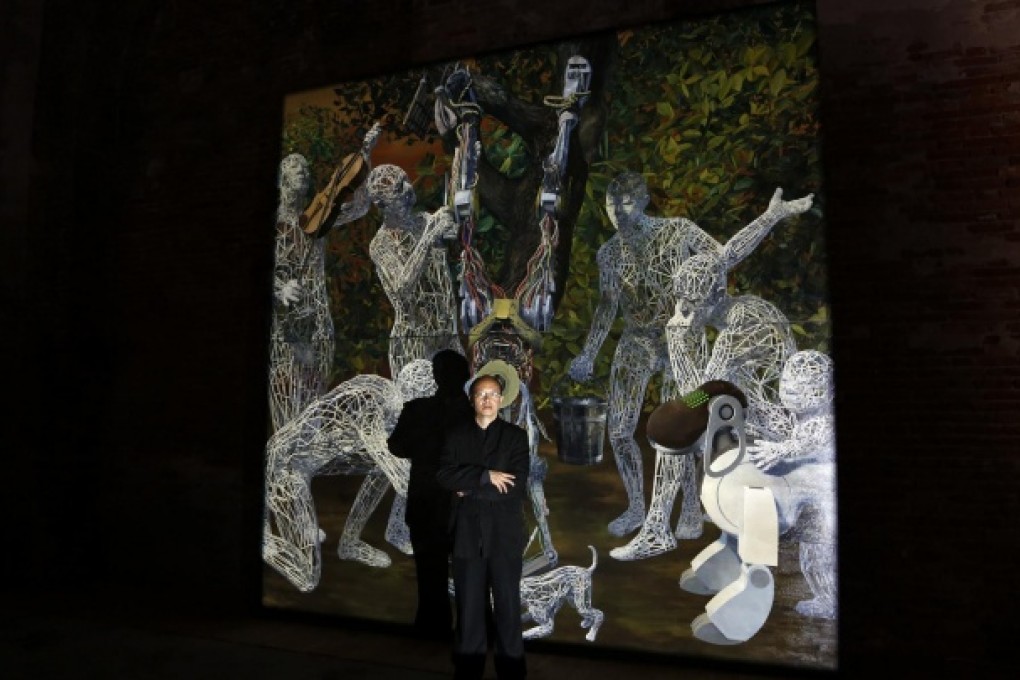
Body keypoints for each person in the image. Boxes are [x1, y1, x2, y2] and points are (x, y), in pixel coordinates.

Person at [438, 368, 530, 680]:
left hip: (504, 536)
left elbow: (515, 487)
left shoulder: (516, 438)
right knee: (469, 611)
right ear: (472, 400)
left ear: (501, 399)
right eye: (481, 394)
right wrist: (485, 476)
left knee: (508, 608)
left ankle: (512, 672)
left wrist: (470, 488)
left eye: (492, 394)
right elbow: (444, 475)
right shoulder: (456, 436)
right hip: (466, 536)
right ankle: (467, 671)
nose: (487, 399)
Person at [387, 349, 473, 639]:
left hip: (428, 503)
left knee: (430, 575)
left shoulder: (419, 410)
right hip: (462, 507)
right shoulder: (476, 413)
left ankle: (433, 631)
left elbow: (397, 446)